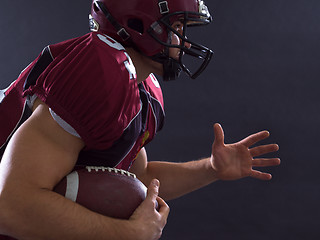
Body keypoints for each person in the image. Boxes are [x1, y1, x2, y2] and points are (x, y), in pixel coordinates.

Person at [0, 0, 280, 239]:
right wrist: (128, 234)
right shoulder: (102, 71)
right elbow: (10, 205)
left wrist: (211, 168)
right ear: (140, 24)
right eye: (177, 27)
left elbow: (137, 177)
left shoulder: (144, 88)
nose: (183, 40)